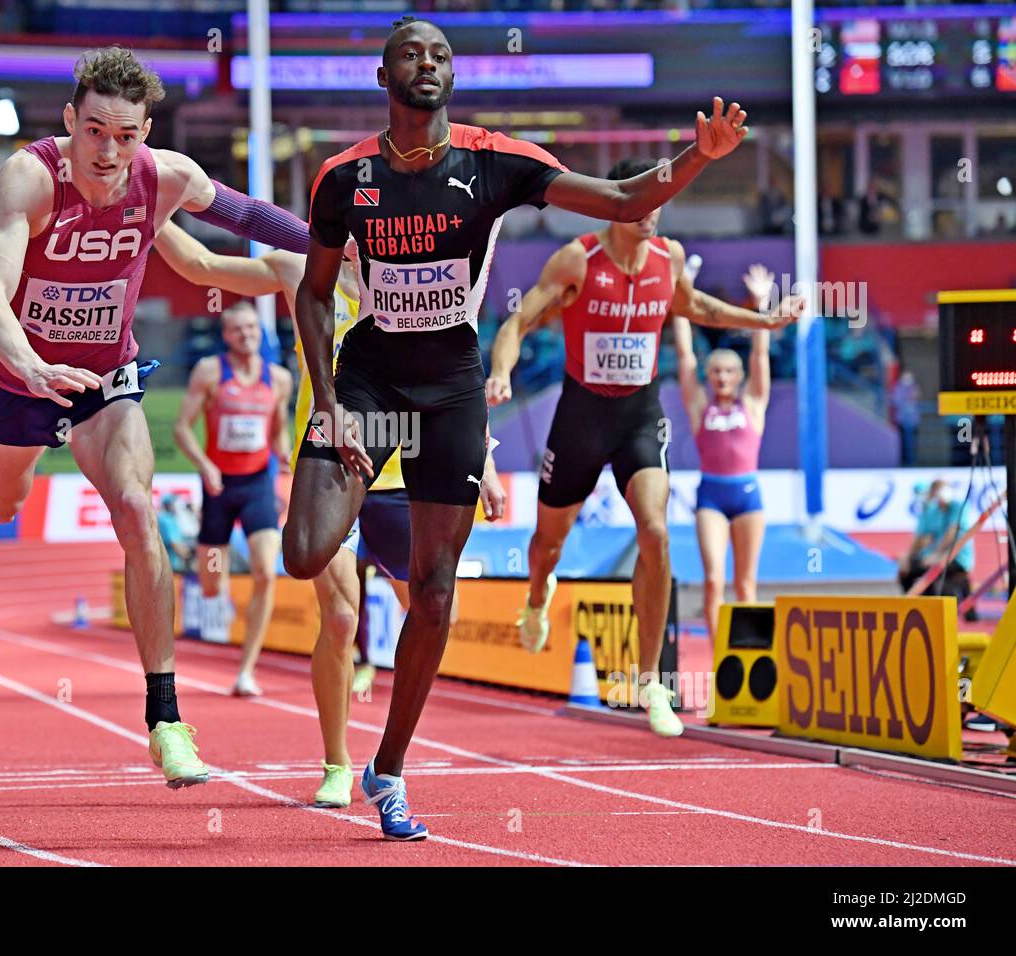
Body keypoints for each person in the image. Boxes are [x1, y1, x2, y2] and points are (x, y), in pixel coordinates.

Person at [282, 15, 756, 839]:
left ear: (452, 77)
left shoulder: (495, 160)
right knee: (302, 552)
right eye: (408, 53)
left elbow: (621, 199)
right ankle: (369, 516)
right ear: (383, 76)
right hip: (366, 379)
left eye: (438, 55)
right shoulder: (342, 178)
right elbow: (315, 293)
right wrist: (327, 400)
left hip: (453, 390)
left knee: (434, 597)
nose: (424, 64)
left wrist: (698, 159)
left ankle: (387, 769)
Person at [0, 46, 309, 789]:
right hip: (22, 377)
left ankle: (165, 721)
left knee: (136, 509)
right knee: (3, 501)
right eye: (94, 132)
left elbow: (246, 215)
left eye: (126, 136)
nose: (108, 151)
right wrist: (28, 366)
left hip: (105, 380)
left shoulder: (164, 178)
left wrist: (327, 248)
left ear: (146, 131)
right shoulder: (27, 178)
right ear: (70, 121)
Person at [152, 220, 502, 807]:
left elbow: (457, 368)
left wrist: (483, 458)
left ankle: (389, 757)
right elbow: (203, 267)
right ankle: (337, 763)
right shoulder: (298, 271)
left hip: (400, 473)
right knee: (340, 621)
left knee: (436, 612)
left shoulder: (410, 284)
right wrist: (150, 207)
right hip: (330, 475)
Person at [486, 157, 803, 740]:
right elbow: (518, 322)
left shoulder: (668, 258)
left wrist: (764, 323)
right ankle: (536, 598)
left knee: (655, 532)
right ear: (617, 202)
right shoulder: (578, 258)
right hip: (581, 416)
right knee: (546, 544)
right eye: (644, 201)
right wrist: (501, 372)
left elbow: (698, 308)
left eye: (662, 201)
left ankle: (653, 680)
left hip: (639, 414)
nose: (654, 212)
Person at [173, 302, 292, 696]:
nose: (247, 335)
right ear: (226, 335)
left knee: (265, 571)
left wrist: (286, 454)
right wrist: (205, 465)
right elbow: (181, 429)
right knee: (211, 586)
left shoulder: (277, 379)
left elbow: (277, 431)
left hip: (258, 485)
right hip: (218, 489)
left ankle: (246, 671)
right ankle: (216, 591)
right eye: (238, 329)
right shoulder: (209, 372)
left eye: (252, 328)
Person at [672, 264, 777, 640]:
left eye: (728, 373)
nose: (721, 378)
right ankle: (720, 658)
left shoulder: (753, 404)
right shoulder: (701, 407)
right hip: (711, 496)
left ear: (737, 376)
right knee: (714, 581)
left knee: (746, 584)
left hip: (748, 495)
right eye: (715, 372)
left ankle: (747, 652)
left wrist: (763, 303)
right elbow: (685, 357)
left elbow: (759, 356)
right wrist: (682, 291)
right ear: (710, 375)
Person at [899, 480, 976, 618]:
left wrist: (936, 555)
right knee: (907, 571)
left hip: (957, 556)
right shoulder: (933, 511)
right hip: (937, 556)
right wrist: (909, 556)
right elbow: (923, 538)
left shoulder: (959, 507)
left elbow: (951, 533)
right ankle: (920, 609)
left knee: (932, 570)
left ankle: (935, 612)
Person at [891, 370, 921, 466]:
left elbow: (916, 399)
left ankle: (911, 461)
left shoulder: (914, 388)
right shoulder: (899, 388)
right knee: (904, 442)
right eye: (906, 377)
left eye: (910, 377)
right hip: (902, 419)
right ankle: (906, 462)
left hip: (913, 420)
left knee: (911, 442)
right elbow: (896, 400)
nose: (908, 379)